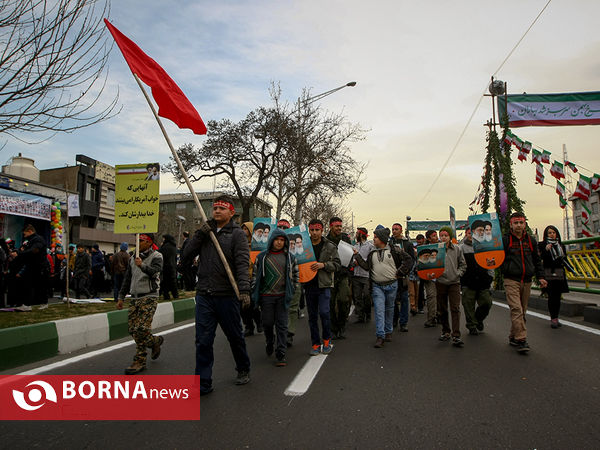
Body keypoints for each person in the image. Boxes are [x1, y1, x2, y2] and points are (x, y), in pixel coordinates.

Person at [181, 195, 251, 395]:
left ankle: (243, 367)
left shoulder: (237, 234)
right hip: (204, 294)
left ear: (231, 212)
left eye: (222, 208)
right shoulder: (205, 232)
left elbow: (242, 264)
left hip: (227, 295)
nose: (217, 211)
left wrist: (244, 290)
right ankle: (203, 382)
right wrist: (199, 237)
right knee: (203, 340)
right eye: (215, 208)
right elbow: (186, 258)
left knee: (235, 336)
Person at [353, 227, 412, 348]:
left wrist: (400, 272)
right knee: (379, 310)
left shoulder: (395, 250)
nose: (373, 239)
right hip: (377, 286)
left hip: (392, 284)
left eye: (375, 237)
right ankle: (380, 335)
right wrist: (357, 256)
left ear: (382, 239)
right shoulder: (372, 253)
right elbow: (366, 267)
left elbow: (409, 260)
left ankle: (388, 331)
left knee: (390, 309)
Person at [117, 233, 164, 374]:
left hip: (149, 296)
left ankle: (139, 360)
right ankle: (154, 341)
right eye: (138, 240)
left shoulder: (157, 256)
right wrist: (121, 297)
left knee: (141, 328)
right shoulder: (132, 258)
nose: (139, 243)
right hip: (135, 298)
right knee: (133, 329)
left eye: (142, 241)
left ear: (149, 243)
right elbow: (127, 279)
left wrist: (142, 265)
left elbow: (155, 272)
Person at [252, 229, 299, 367]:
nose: (279, 242)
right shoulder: (262, 257)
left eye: (282, 240)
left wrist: (292, 290)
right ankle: (269, 340)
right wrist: (254, 291)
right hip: (266, 297)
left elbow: (296, 276)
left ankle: (281, 354)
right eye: (277, 239)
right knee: (267, 323)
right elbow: (255, 276)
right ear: (272, 240)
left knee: (282, 325)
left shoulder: (290, 258)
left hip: (283, 297)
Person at [501, 212, 547, 353]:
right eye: (516, 223)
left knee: (522, 311)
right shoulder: (505, 240)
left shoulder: (531, 241)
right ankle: (522, 339)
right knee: (516, 309)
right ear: (511, 225)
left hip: (526, 281)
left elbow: (537, 261)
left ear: (525, 223)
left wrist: (541, 277)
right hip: (511, 280)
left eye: (521, 222)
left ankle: (513, 336)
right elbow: (496, 257)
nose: (519, 225)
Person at [304, 219, 340, 356]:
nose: (314, 233)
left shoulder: (329, 246)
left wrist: (323, 265)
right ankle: (315, 343)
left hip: (324, 284)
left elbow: (337, 264)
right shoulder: (304, 245)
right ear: (309, 230)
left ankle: (326, 340)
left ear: (322, 230)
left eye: (317, 230)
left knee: (324, 313)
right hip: (309, 285)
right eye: (312, 230)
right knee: (312, 316)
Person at [436, 226, 467, 347]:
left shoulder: (457, 249)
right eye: (441, 235)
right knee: (442, 309)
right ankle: (445, 331)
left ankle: (456, 335)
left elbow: (463, 265)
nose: (443, 238)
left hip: (454, 282)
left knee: (455, 308)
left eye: (445, 235)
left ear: (450, 237)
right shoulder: (436, 249)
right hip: (440, 282)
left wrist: (457, 274)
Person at [460, 228, 493, 335]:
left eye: (474, 233)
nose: (471, 235)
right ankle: (472, 326)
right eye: (469, 233)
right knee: (468, 305)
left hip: (483, 281)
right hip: (467, 282)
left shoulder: (484, 246)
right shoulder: (461, 248)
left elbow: (491, 263)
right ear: (466, 234)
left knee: (487, 302)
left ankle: (478, 319)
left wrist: (490, 277)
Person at [538, 225, 569, 329]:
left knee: (558, 296)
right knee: (551, 296)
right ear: (546, 235)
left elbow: (564, 259)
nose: (552, 234)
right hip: (548, 272)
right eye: (549, 233)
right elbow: (540, 259)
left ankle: (556, 317)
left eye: (553, 232)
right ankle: (553, 319)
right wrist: (546, 250)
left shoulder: (560, 245)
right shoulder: (542, 245)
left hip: (559, 272)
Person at [326, 216, 352, 339]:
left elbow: (351, 255)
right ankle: (333, 328)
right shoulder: (326, 240)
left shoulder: (346, 239)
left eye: (340, 226)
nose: (339, 228)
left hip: (343, 275)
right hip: (330, 275)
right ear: (331, 226)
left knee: (343, 300)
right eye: (337, 226)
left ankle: (342, 326)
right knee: (330, 304)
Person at [13, 224, 47, 306]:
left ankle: (36, 304)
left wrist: (19, 254)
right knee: (28, 287)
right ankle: (28, 303)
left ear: (30, 231)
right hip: (30, 267)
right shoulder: (30, 240)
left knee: (35, 288)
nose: (24, 236)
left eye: (25, 234)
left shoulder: (38, 240)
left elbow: (34, 251)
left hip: (37, 268)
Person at [390, 223, 415, 332]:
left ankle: (403, 322)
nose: (394, 231)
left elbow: (412, 259)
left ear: (401, 230)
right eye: (393, 229)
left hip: (404, 275)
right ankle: (394, 319)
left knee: (405, 299)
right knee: (393, 299)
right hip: (392, 275)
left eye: (396, 229)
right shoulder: (389, 243)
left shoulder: (407, 244)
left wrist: (405, 271)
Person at [241, 221, 262, 336]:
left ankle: (259, 322)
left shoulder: (257, 247)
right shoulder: (238, 245)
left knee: (253, 303)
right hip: (241, 278)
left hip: (253, 279)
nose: (243, 231)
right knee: (243, 306)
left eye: (246, 229)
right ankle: (248, 326)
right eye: (242, 229)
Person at [352, 227, 374, 323]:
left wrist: (360, 261)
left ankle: (368, 314)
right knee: (357, 296)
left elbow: (370, 259)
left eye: (357, 233)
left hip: (366, 275)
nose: (356, 235)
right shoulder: (355, 246)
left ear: (361, 234)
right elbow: (351, 258)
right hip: (356, 274)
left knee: (366, 295)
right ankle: (360, 316)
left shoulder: (370, 246)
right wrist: (353, 262)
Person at [422, 229, 439, 328]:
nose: (436, 237)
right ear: (428, 238)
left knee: (441, 297)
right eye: (433, 236)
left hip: (441, 276)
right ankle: (431, 318)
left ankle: (440, 315)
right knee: (431, 297)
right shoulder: (424, 249)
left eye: (436, 235)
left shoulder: (442, 247)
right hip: (429, 277)